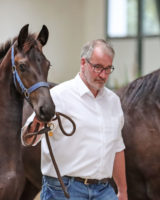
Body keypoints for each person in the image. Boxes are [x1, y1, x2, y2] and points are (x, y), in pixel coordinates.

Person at [21, 39, 128, 200]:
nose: (103, 75)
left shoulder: (113, 101)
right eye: (98, 67)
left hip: (103, 190)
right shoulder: (58, 95)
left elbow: (117, 148)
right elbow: (28, 140)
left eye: (108, 69)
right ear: (83, 63)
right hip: (63, 189)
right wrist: (38, 121)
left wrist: (122, 190)